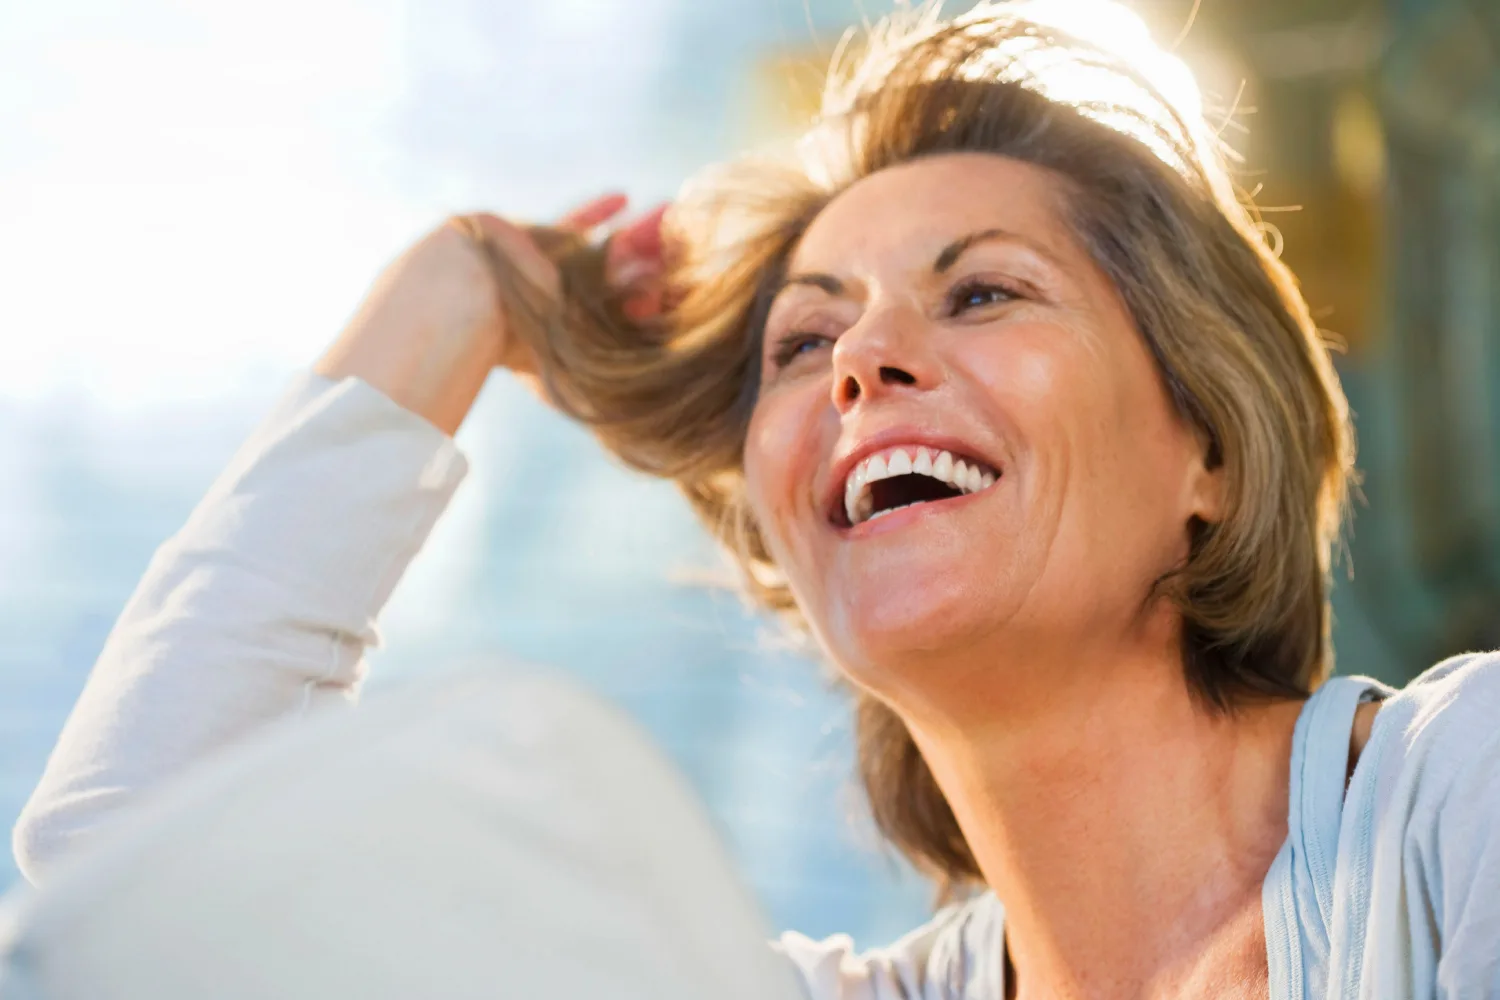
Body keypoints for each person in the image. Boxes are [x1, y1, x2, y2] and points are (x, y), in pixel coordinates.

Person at [13, 1, 1500, 997]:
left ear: (1211, 453)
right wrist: (457, 292)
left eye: (982, 290)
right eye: (805, 340)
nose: (863, 359)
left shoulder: (1459, 801)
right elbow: (135, 880)